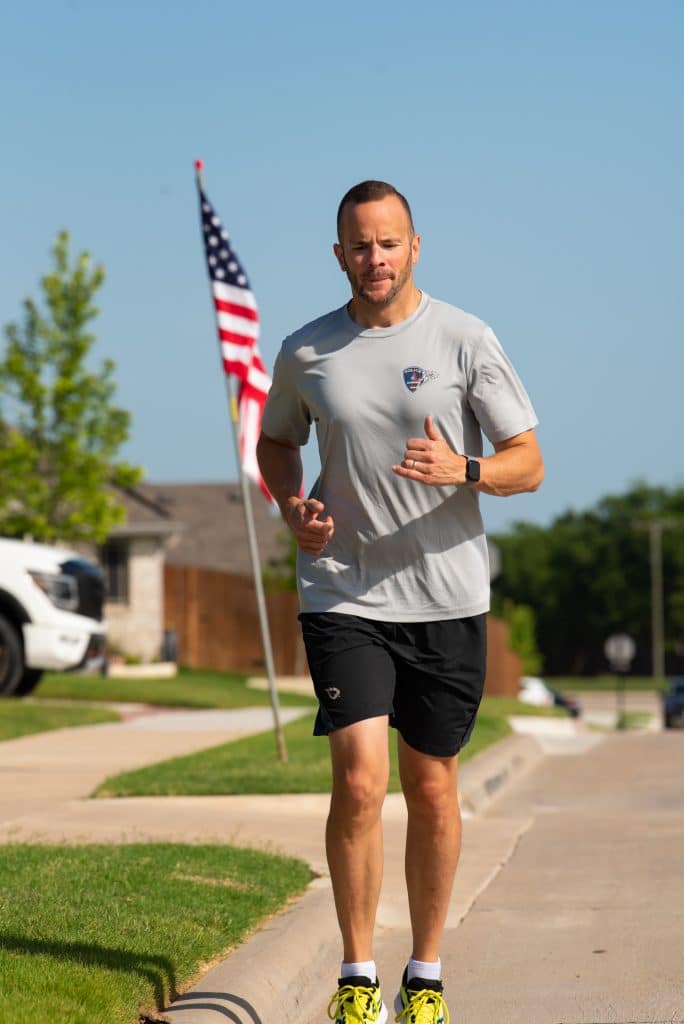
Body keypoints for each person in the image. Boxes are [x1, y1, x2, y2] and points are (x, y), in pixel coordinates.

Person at [256, 180, 543, 1024]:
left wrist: (471, 470)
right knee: (358, 780)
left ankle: (424, 975)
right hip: (342, 591)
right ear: (338, 253)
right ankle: (356, 978)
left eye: (388, 243)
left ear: (415, 246)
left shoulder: (465, 339)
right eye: (358, 245)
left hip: (447, 597)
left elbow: (529, 459)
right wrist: (291, 505)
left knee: (432, 788)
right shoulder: (308, 352)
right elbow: (277, 442)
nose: (374, 258)